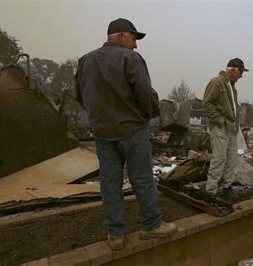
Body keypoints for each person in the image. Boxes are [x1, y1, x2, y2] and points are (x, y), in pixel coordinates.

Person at [75, 18, 177, 251]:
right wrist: (148, 114)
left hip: (103, 133)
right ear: (121, 36)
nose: (136, 45)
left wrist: (98, 118)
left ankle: (116, 235)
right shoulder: (130, 58)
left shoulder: (85, 61)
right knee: (141, 178)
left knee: (110, 183)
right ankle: (151, 226)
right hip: (131, 130)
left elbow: (80, 95)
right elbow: (145, 93)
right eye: (133, 38)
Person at [202, 58, 249, 195]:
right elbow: (207, 104)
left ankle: (226, 187)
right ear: (232, 70)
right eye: (240, 72)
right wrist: (219, 121)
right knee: (219, 159)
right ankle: (210, 191)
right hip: (221, 128)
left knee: (232, 159)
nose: (241, 76)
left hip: (231, 129)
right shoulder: (216, 82)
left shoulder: (232, 87)